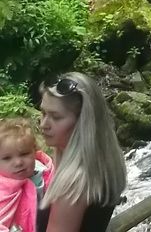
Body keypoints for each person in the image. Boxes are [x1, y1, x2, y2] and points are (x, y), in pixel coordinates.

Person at [37, 73, 126, 232]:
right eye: (43, 113)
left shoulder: (73, 184)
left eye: (56, 117)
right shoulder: (104, 162)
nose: (44, 124)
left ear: (83, 122)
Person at [0, 119, 53, 232]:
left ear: (35, 151)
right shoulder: (2, 189)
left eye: (24, 154)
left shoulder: (45, 173)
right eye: (7, 158)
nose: (18, 162)